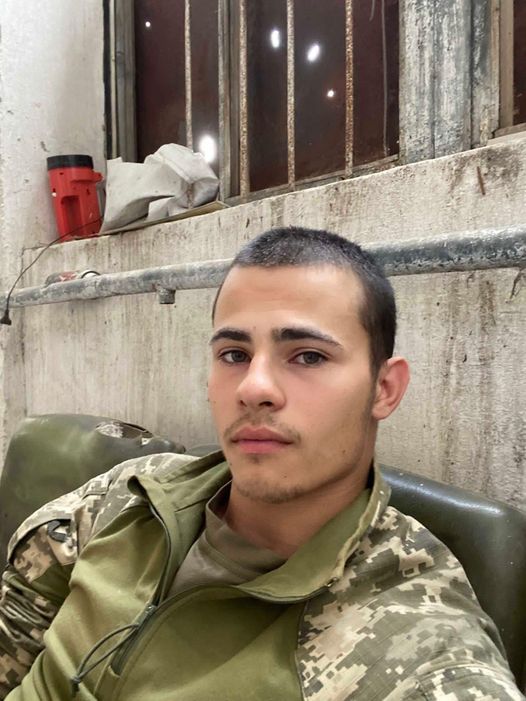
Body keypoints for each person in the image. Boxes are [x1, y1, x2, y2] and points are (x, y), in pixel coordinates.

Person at [0, 226, 523, 700]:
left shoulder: (411, 647)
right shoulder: (127, 498)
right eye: (234, 354)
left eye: (309, 356)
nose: (254, 388)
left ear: (384, 388)